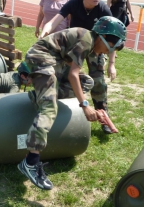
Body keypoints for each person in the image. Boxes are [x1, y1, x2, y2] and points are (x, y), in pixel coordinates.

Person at [18, 16, 127, 190]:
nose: (106, 53)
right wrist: (85, 106)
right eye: (109, 49)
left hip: (55, 62)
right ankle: (30, 162)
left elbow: (81, 76)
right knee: (49, 107)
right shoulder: (85, 39)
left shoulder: (91, 41)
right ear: (104, 38)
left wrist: (99, 109)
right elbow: (72, 75)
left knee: (87, 82)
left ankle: (42, 94)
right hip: (41, 58)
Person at [40, 0, 115, 134]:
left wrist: (112, 64)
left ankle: (103, 117)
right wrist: (44, 32)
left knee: (99, 82)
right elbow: (54, 21)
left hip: (95, 48)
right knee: (64, 76)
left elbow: (112, 38)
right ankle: (58, 111)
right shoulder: (73, 4)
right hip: (75, 48)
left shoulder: (103, 9)